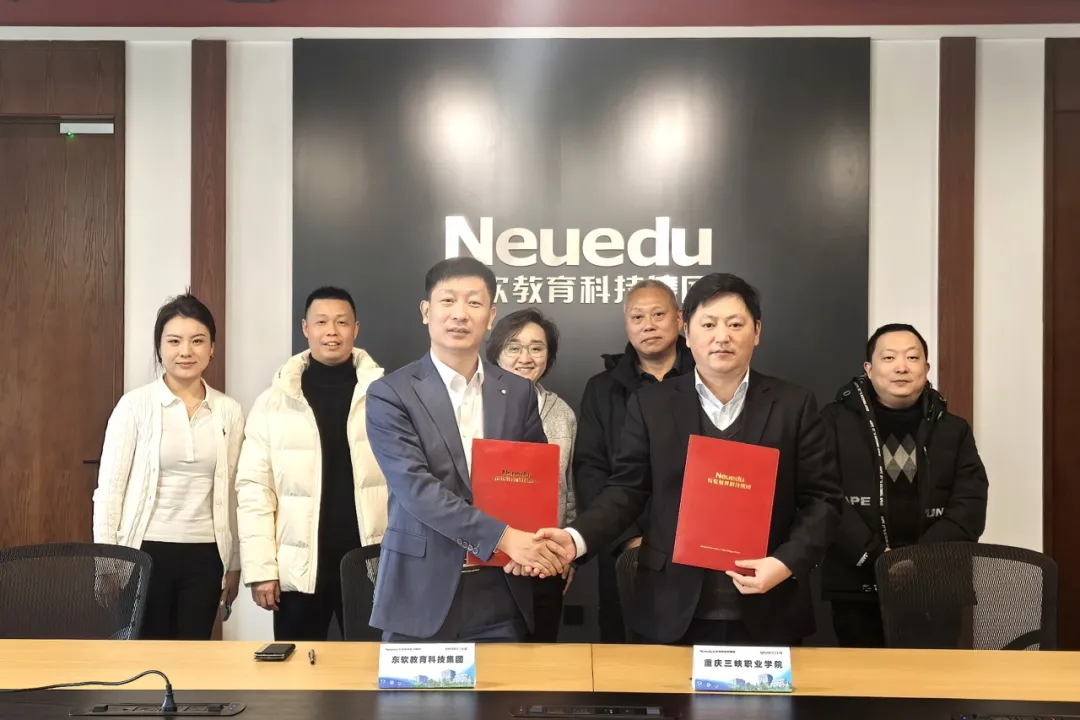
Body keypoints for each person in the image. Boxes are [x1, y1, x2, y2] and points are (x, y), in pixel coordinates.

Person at [530, 273, 843, 646]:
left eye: (735, 324)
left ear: (757, 331)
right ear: (688, 332)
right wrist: (575, 539)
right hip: (670, 609)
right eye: (708, 325)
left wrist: (785, 563)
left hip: (770, 605)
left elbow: (823, 500)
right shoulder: (652, 404)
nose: (722, 336)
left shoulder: (793, 404)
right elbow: (626, 490)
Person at [365, 257, 571, 642]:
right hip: (420, 589)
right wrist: (506, 538)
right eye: (448, 301)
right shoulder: (390, 393)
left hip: (502, 589)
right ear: (426, 311)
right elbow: (416, 488)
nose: (460, 313)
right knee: (412, 686)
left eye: (474, 302)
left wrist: (530, 544)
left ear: (490, 316)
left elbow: (531, 480)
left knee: (504, 684)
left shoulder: (517, 391)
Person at [821, 323, 988, 648]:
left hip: (937, 584)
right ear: (869, 369)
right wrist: (877, 558)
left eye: (912, 357)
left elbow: (969, 506)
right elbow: (824, 497)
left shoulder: (954, 430)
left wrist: (915, 561)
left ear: (926, 368)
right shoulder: (833, 422)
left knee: (933, 676)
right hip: (857, 583)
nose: (901, 367)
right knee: (863, 677)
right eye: (889, 358)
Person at [236, 286, 387, 641]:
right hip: (298, 568)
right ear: (305, 328)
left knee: (373, 666)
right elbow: (254, 488)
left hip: (370, 564)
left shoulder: (386, 395)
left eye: (341, 322)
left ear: (356, 329)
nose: (331, 331)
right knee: (296, 668)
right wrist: (261, 568)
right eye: (321, 322)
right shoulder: (274, 402)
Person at [93, 293, 244, 640]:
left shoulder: (229, 411)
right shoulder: (134, 406)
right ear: (160, 349)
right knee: (146, 656)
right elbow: (110, 490)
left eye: (197, 341)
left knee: (191, 657)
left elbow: (234, 494)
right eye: (174, 341)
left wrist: (234, 563)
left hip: (207, 555)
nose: (185, 351)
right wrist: (108, 562)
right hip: (145, 552)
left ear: (212, 348)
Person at [573, 278, 695, 642]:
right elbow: (591, 470)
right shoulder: (602, 388)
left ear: (679, 318)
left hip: (696, 549)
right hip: (625, 548)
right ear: (627, 324)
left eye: (658, 314)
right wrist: (627, 540)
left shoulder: (706, 377)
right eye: (637, 317)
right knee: (624, 653)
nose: (648, 325)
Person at [486, 308, 578, 642]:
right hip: (485, 560)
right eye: (514, 347)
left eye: (536, 348)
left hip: (545, 562)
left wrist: (567, 553)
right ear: (496, 352)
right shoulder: (473, 406)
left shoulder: (562, 413)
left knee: (539, 660)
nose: (525, 358)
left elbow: (569, 490)